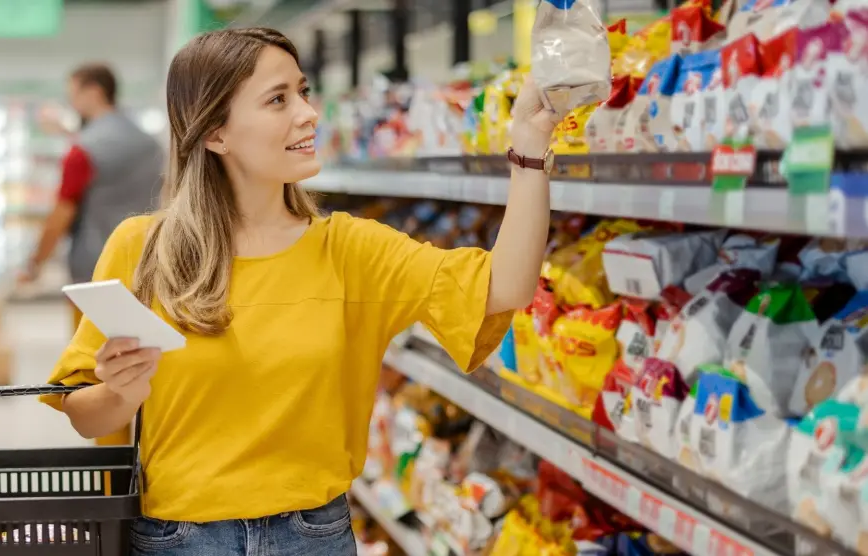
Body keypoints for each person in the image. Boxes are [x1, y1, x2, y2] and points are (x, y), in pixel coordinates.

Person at [41, 28, 558, 556]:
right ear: (216, 133)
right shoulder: (144, 249)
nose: (309, 113)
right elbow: (84, 414)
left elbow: (505, 286)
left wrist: (530, 148)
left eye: (303, 92)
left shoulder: (350, 251)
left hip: (314, 538)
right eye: (278, 99)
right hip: (178, 540)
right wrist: (121, 392)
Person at [25, 64, 163, 447]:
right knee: (149, 371)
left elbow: (61, 213)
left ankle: (112, 472)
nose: (71, 102)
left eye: (73, 93)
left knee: (100, 379)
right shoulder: (150, 145)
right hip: (152, 269)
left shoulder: (82, 151)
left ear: (93, 92)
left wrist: (34, 263)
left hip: (94, 276)